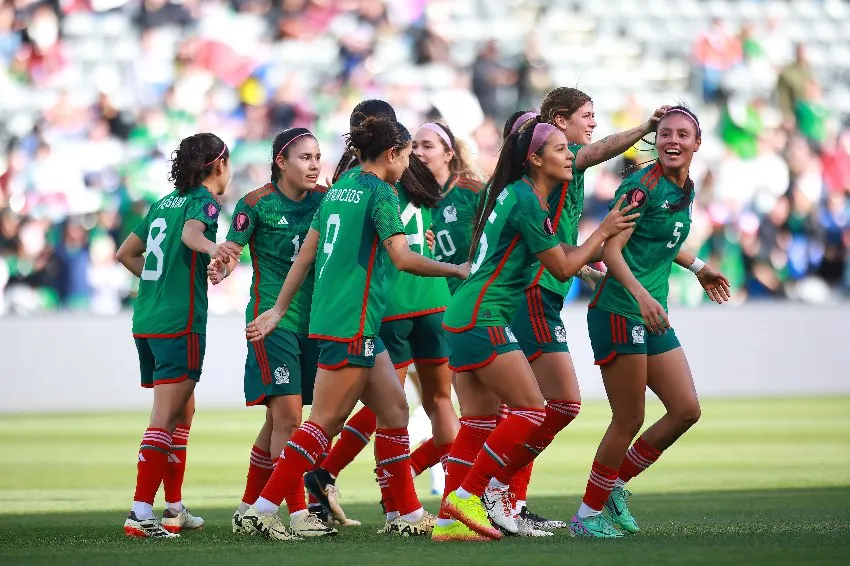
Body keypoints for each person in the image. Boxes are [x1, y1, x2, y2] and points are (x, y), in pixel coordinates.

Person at [241, 114, 469, 541]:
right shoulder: (380, 193)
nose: (407, 165)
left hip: (343, 318)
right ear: (390, 154)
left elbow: (306, 253)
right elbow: (401, 257)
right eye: (404, 155)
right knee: (323, 421)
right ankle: (262, 508)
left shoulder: (339, 188)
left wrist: (279, 308)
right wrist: (456, 268)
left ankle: (406, 511)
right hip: (353, 320)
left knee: (395, 410)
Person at [434, 120, 640, 541]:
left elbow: (556, 254)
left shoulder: (517, 194)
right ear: (535, 158)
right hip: (483, 316)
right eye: (562, 149)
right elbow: (562, 267)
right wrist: (603, 230)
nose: (570, 156)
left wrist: (595, 255)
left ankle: (447, 521)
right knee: (532, 410)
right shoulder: (527, 199)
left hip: (464, 313)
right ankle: (471, 495)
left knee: (477, 422)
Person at [494, 90, 672, 531]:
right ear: (557, 121)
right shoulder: (560, 157)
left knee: (532, 408)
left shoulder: (552, 172)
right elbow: (595, 151)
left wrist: (587, 270)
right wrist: (647, 128)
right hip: (534, 293)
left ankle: (503, 500)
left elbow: (557, 235)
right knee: (557, 404)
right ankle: (489, 489)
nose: (592, 124)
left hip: (544, 291)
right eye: (587, 116)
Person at [572, 106, 731, 538]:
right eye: (665, 133)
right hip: (621, 310)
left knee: (685, 410)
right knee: (628, 418)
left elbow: (663, 239)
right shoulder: (641, 185)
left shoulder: (685, 186)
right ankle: (587, 516)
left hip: (649, 310)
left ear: (697, 144)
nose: (673, 140)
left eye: (683, 134)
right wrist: (641, 295)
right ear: (655, 140)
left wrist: (699, 267)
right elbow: (610, 248)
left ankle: (615, 486)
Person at [206, 128, 337, 538]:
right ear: (281, 162)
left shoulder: (326, 201)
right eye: (305, 157)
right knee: (290, 418)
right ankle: (298, 514)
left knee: (277, 423)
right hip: (270, 322)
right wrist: (221, 267)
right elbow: (231, 251)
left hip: (315, 323)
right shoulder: (256, 203)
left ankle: (249, 506)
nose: (314, 165)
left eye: (318, 156)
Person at [115, 133, 231, 538]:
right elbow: (191, 236)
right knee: (164, 417)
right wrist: (216, 250)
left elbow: (125, 253)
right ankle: (140, 512)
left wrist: (157, 282)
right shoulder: (205, 200)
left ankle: (173, 508)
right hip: (178, 324)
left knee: (183, 411)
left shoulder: (163, 203)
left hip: (147, 319)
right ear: (219, 165)